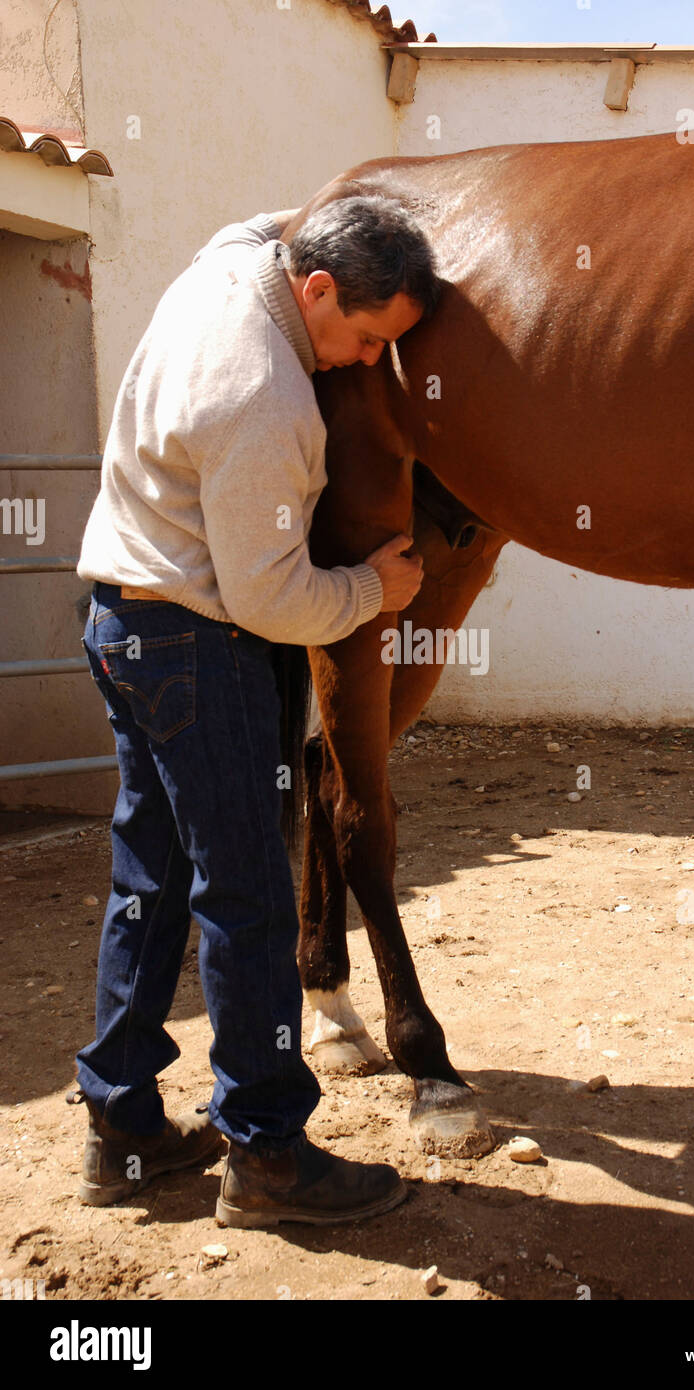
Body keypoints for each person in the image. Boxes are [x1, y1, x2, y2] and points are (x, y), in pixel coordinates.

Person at [72, 197, 439, 1227]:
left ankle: (122, 1125)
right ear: (314, 289)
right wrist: (376, 589)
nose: (365, 361)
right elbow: (272, 598)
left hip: (122, 622)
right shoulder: (264, 395)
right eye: (365, 339)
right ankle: (270, 1153)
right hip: (201, 644)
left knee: (151, 874)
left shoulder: (231, 259)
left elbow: (258, 218)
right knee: (248, 896)